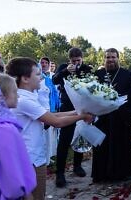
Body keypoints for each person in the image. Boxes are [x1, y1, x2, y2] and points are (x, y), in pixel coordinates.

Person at [6, 57, 93, 200]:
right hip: (31, 159)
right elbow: (55, 122)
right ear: (25, 79)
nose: (42, 77)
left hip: (31, 156)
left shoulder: (26, 97)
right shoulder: (25, 101)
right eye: (38, 74)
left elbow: (50, 115)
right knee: (37, 196)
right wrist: (82, 117)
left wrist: (78, 111)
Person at [92, 48, 131, 183]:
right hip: (102, 119)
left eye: (113, 57)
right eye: (107, 57)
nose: (110, 60)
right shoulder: (98, 74)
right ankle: (101, 174)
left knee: (119, 147)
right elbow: (90, 93)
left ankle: (120, 173)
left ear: (118, 58)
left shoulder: (127, 75)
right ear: (104, 59)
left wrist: (121, 107)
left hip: (120, 119)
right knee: (102, 146)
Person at [52, 47, 92, 187]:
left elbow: (92, 85)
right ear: (69, 60)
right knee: (64, 140)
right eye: (73, 61)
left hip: (83, 108)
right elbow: (54, 80)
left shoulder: (87, 68)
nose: (76, 63)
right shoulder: (64, 68)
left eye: (78, 60)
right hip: (67, 107)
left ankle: (77, 165)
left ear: (82, 58)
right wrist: (65, 72)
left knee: (80, 137)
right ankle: (60, 173)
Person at [38, 57, 60, 165]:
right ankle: (44, 159)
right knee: (44, 136)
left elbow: (55, 91)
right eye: (42, 62)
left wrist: (56, 106)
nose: (44, 64)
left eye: (46, 62)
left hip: (52, 107)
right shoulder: (38, 77)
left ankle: (49, 156)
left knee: (51, 136)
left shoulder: (51, 76)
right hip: (42, 109)